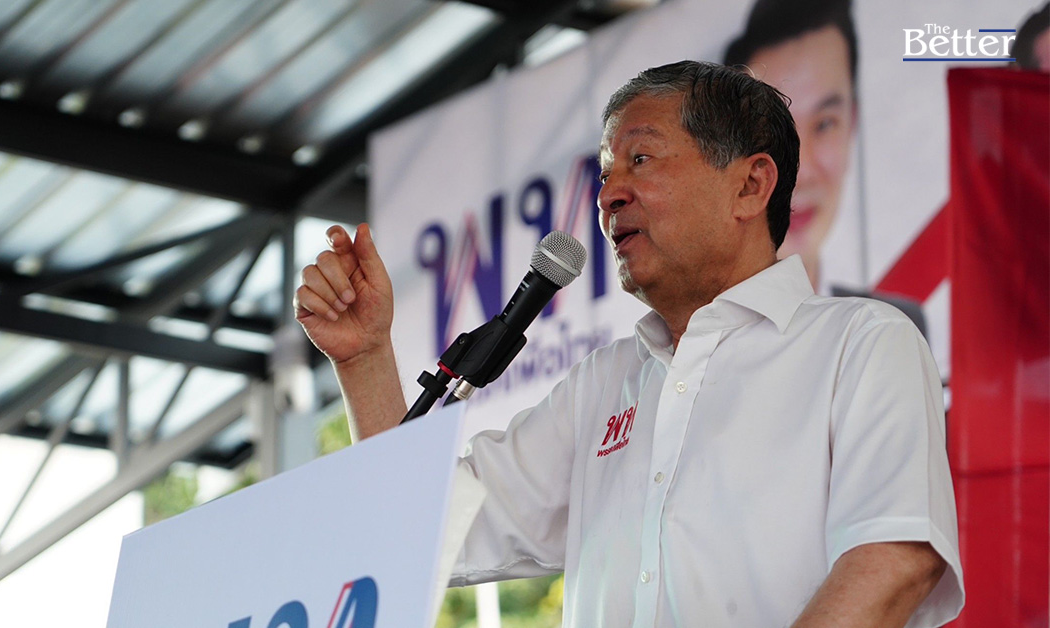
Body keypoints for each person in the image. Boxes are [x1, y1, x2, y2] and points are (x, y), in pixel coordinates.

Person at [294, 61, 963, 626]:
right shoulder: (602, 383)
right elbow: (418, 526)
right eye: (605, 173)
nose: (609, 194)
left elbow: (894, 558)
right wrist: (364, 358)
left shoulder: (860, 344)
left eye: (640, 159)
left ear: (750, 185)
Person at [723, 0, 857, 290]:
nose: (800, 172)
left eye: (824, 124)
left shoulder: (893, 315)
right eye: (771, 129)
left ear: (852, 124)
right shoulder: (687, 318)